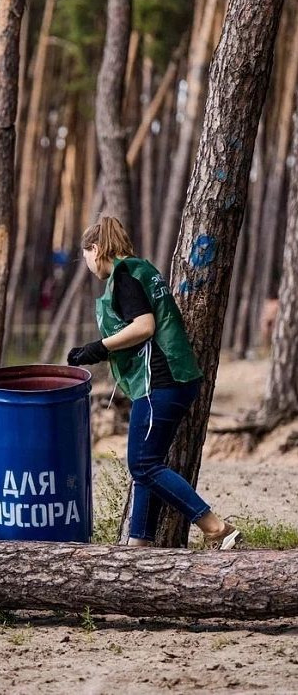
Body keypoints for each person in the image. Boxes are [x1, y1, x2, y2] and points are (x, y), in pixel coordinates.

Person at [68, 216, 240, 550]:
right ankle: (140, 541)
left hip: (160, 382)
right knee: (149, 464)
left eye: (85, 256)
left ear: (96, 248)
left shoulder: (125, 276)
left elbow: (144, 326)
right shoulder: (141, 270)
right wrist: (98, 352)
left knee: (143, 464)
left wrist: (97, 347)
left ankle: (215, 526)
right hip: (175, 379)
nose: (87, 264)